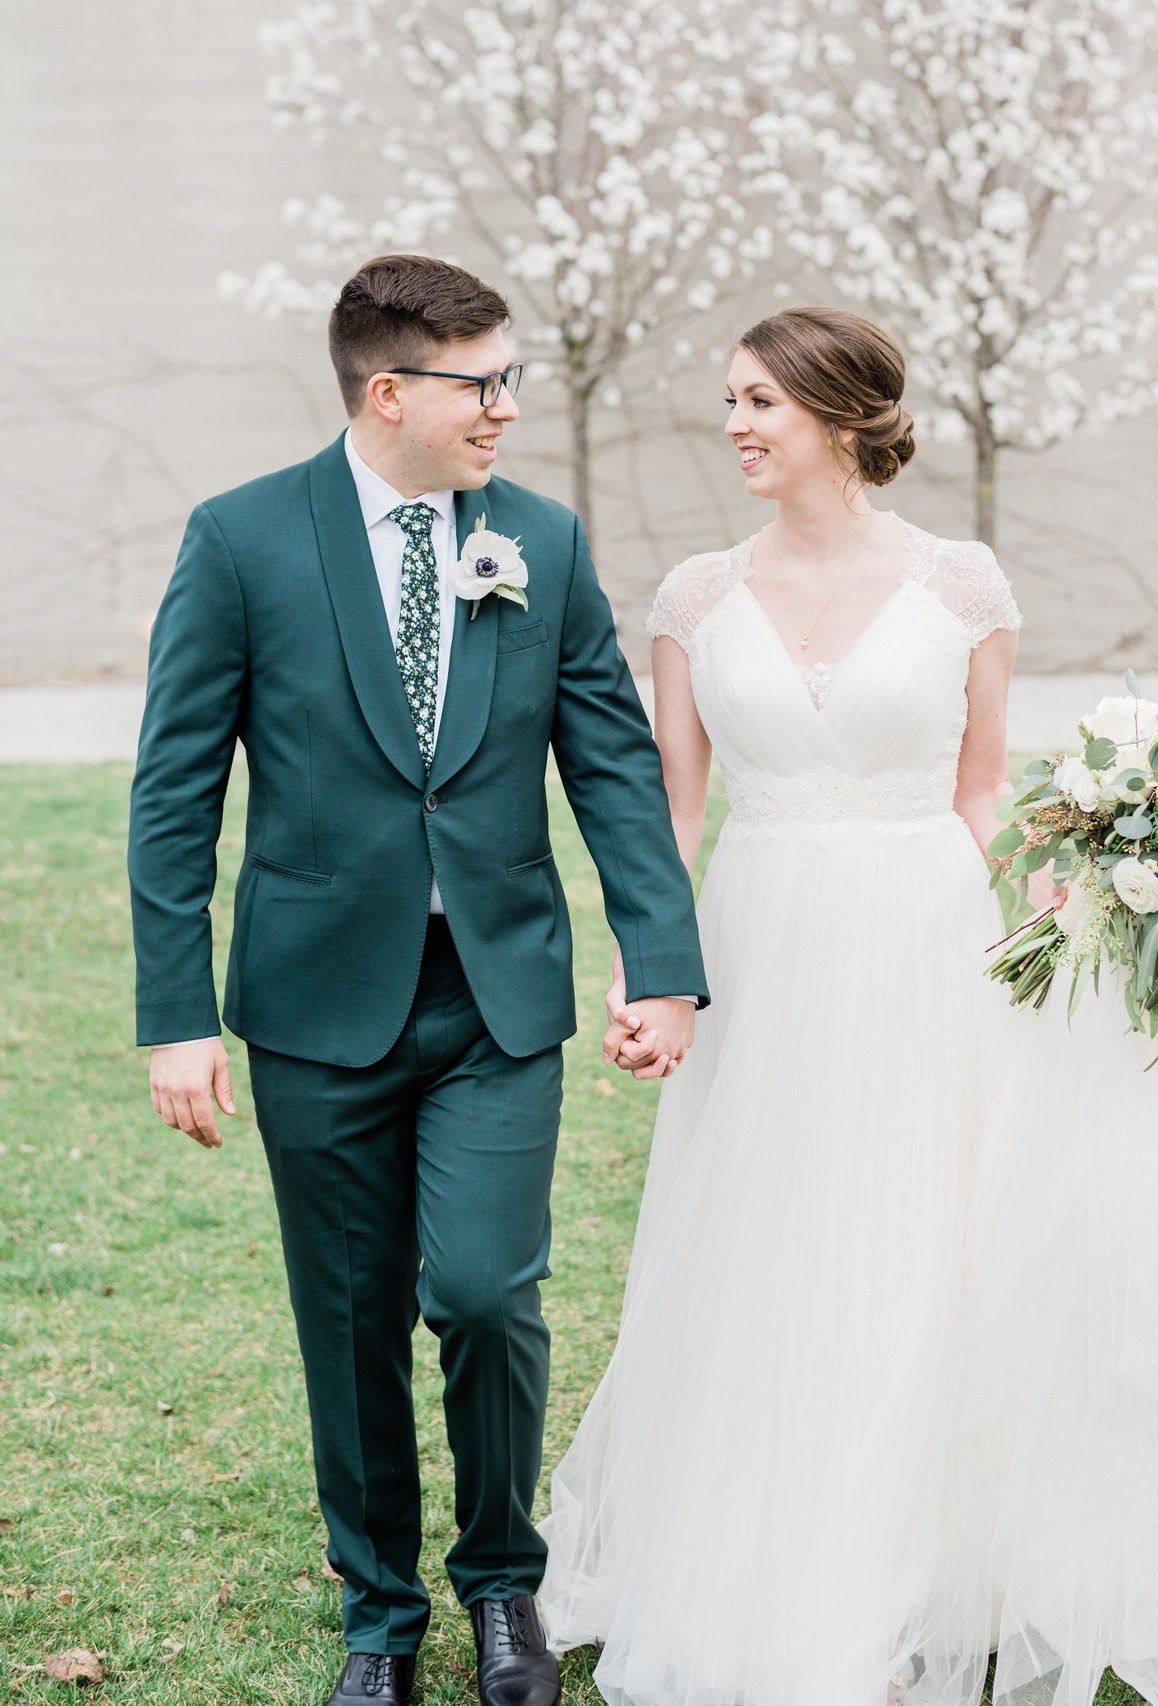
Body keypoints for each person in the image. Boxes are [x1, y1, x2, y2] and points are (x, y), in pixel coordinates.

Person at [537, 306, 1158, 1706]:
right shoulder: (693, 599)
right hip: (760, 946)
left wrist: (1096, 889)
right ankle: (773, 1553)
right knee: (772, 1236)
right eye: (732, 400)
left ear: (837, 414)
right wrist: (646, 974)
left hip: (928, 944)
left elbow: (978, 794)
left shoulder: (962, 585)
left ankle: (936, 1568)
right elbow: (671, 810)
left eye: (760, 401)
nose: (735, 425)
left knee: (925, 1238)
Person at [127, 253, 708, 1706]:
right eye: (482, 383)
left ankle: (503, 1586)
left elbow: (615, 767)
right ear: (388, 392)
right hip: (315, 1005)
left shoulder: (544, 544)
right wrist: (175, 1013)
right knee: (349, 1311)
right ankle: (379, 1613)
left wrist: (665, 963)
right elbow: (172, 791)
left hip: (496, 998)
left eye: (510, 379)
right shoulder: (242, 539)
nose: (506, 408)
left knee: (487, 1290)